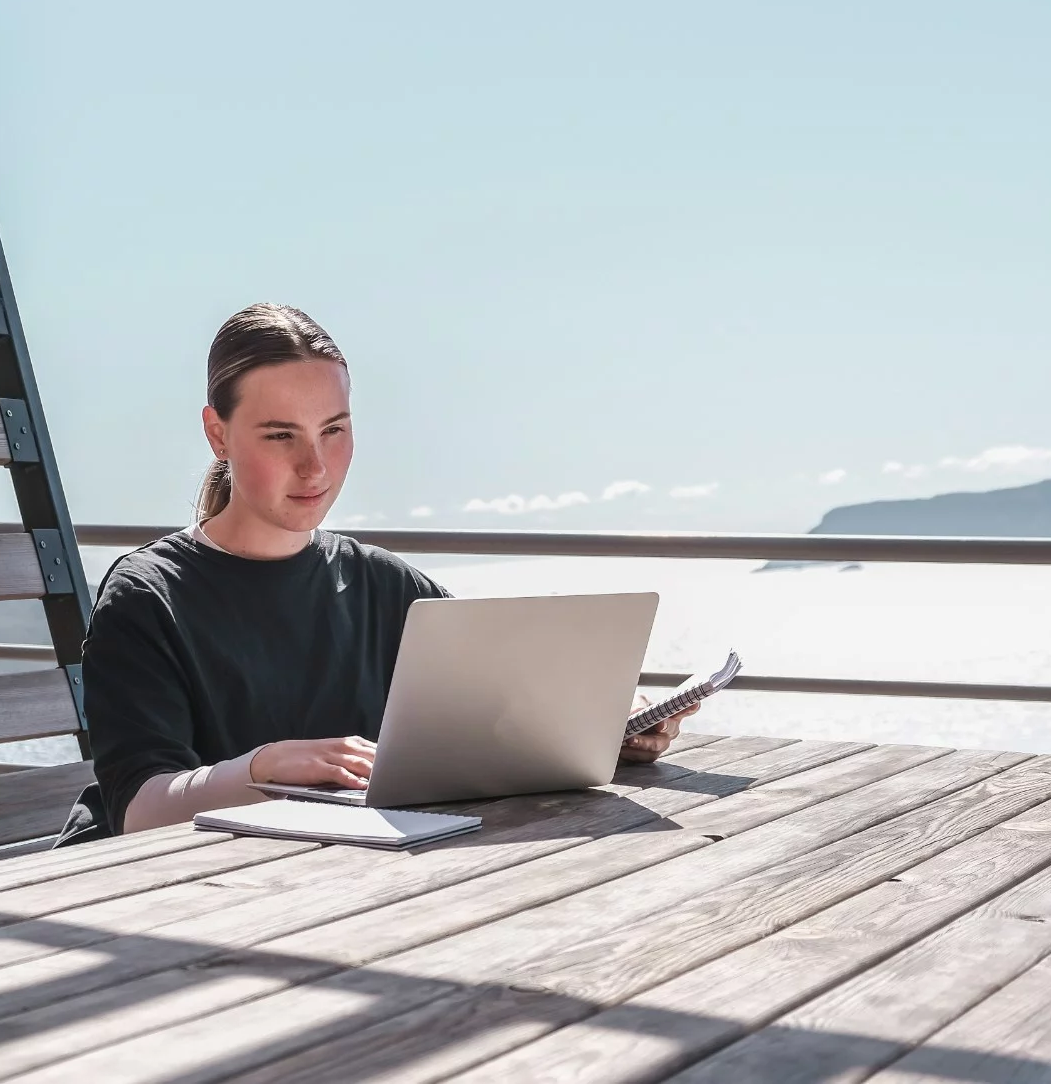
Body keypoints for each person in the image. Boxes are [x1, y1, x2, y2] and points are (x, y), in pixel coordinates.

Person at [76, 303, 694, 837]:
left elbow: (509, 714)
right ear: (218, 433)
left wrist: (608, 725)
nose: (315, 467)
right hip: (159, 901)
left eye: (334, 430)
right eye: (279, 436)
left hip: (324, 888)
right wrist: (260, 768)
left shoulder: (388, 588)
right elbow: (136, 810)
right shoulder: (148, 597)